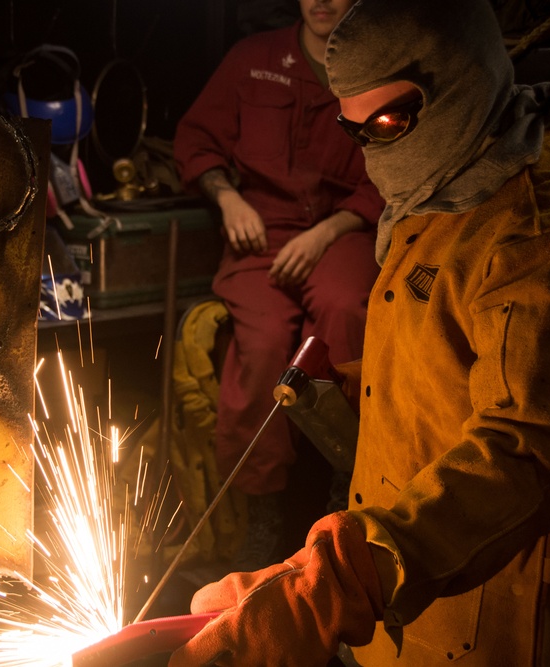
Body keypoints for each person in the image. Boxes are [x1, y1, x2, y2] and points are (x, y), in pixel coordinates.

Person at [169, 0, 550, 665]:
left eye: (389, 121)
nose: (375, 148)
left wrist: (339, 582)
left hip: (519, 629)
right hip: (420, 615)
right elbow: (457, 353)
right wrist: (353, 390)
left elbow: (525, 454)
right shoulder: (446, 191)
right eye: (357, 132)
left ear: (458, 76)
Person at [173, 0, 384, 568]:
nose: (322, 1)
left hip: (341, 229)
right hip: (260, 231)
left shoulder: (378, 65)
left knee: (345, 310)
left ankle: (349, 488)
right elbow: (196, 140)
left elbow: (393, 164)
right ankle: (262, 515)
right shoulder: (254, 59)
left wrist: (330, 231)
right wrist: (227, 196)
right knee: (263, 342)